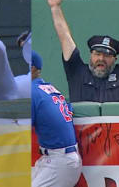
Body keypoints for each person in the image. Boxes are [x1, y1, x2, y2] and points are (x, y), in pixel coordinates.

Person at [31, 50, 82, 187]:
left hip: (59, 160)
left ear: (33, 68)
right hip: (57, 158)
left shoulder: (33, 92)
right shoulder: (49, 88)